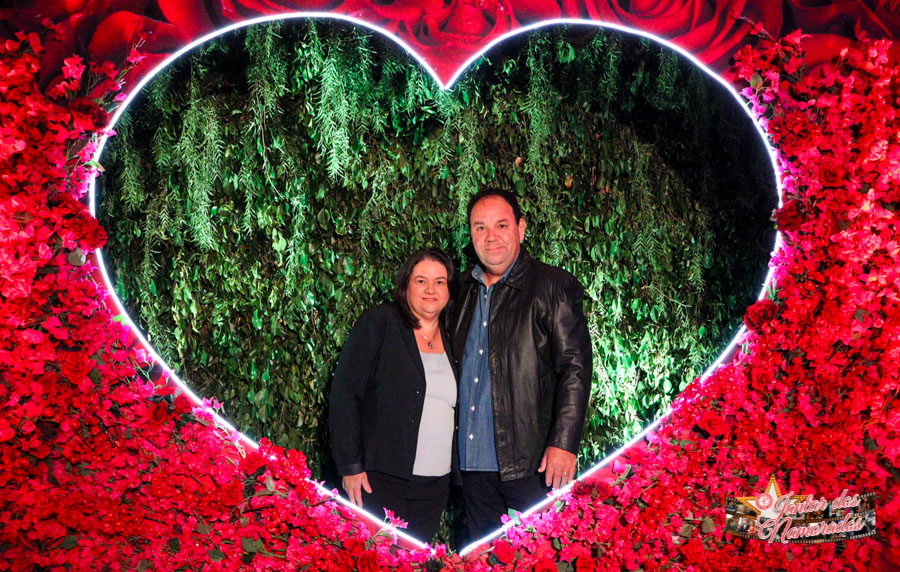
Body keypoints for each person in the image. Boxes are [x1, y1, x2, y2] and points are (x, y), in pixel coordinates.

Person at [448, 189, 593, 540]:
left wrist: (564, 443)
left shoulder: (551, 286)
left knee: (542, 554)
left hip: (532, 464)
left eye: (501, 225)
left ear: (521, 229)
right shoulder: (460, 290)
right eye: (480, 227)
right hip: (471, 466)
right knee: (481, 559)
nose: (491, 236)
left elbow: (575, 367)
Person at [329, 248, 459, 541]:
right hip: (380, 480)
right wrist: (350, 466)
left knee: (416, 560)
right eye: (421, 281)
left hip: (434, 487)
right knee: (376, 557)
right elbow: (344, 394)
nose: (431, 289)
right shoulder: (380, 323)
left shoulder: (454, 335)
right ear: (406, 285)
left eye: (439, 282)